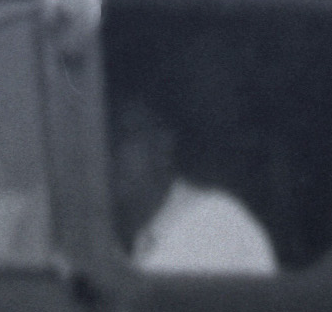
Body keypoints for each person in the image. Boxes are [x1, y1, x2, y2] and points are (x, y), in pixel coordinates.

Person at [110, 95, 275, 277]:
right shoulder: (131, 231)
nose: (109, 154)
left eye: (123, 136)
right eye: (103, 140)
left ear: (162, 145)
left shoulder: (213, 220)